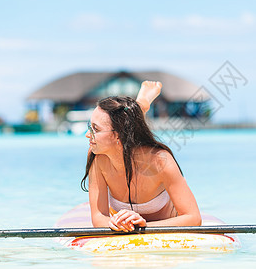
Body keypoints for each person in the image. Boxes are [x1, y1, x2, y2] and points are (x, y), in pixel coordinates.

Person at [82, 81, 201, 232]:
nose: (87, 135)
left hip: (164, 224)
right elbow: (98, 217)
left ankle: (141, 104)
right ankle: (141, 105)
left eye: (95, 129)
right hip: (123, 137)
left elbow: (193, 218)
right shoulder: (98, 157)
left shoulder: (160, 161)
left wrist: (143, 225)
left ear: (117, 136)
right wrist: (116, 224)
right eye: (89, 127)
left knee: (129, 127)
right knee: (128, 125)